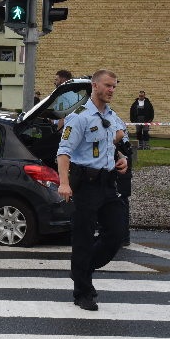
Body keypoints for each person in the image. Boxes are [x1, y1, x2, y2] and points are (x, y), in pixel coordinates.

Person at [57, 69, 128, 311]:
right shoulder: (79, 117)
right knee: (84, 238)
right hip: (86, 184)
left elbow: (114, 138)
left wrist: (121, 157)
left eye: (114, 86)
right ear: (94, 86)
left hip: (108, 183)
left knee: (117, 233)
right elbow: (64, 152)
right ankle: (82, 292)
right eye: (108, 85)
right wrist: (64, 183)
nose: (111, 90)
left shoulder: (110, 114)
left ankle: (83, 269)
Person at [114, 116, 134, 246]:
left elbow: (119, 134)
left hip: (121, 158)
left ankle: (122, 237)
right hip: (125, 156)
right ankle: (123, 236)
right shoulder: (114, 116)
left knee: (120, 198)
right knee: (122, 198)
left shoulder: (110, 117)